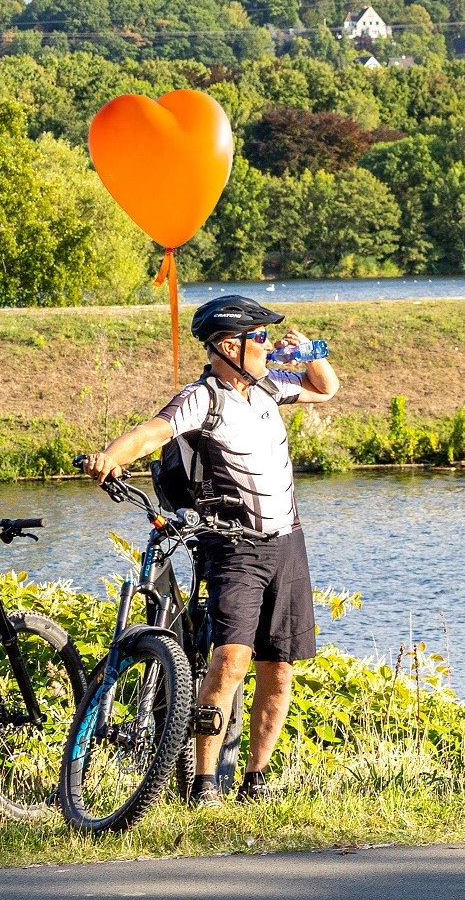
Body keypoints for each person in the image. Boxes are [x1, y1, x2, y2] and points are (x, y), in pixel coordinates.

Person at [81, 294, 339, 806]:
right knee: (228, 663)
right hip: (235, 548)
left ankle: (257, 779)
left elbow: (325, 389)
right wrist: (110, 456)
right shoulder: (204, 398)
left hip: (288, 542)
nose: (267, 345)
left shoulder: (267, 385)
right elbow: (153, 431)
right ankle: (205, 784)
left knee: (280, 666)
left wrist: (311, 351)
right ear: (229, 346)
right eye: (259, 337)